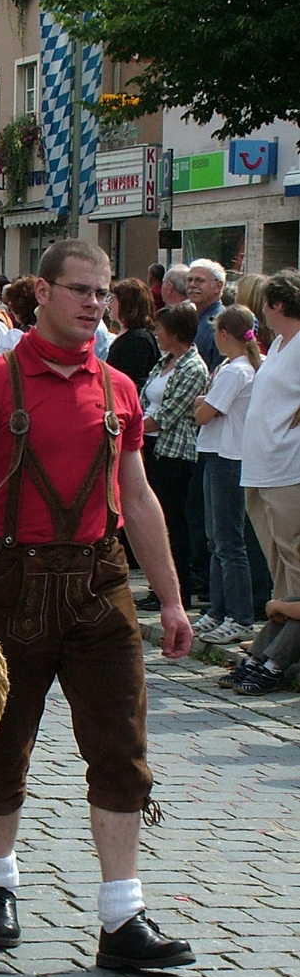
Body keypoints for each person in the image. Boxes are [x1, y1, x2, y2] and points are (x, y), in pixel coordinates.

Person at [0, 238, 195, 972]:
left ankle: (121, 916)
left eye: (100, 291)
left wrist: (169, 599)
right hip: (10, 582)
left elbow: (136, 500)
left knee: (120, 746)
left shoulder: (119, 389)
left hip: (100, 582)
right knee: (4, 740)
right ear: (39, 294)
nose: (91, 303)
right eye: (77, 289)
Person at [236, 269, 300, 692]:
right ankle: (268, 649)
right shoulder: (277, 343)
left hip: (288, 467)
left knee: (295, 568)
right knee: (279, 569)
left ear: (277, 305)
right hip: (259, 466)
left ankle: (276, 659)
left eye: (265, 304)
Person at [192, 305, 260, 645]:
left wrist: (201, 404)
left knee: (230, 542)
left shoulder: (238, 371)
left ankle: (240, 616)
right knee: (214, 539)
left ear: (223, 334)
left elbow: (204, 413)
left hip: (229, 458)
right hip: (215, 454)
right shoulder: (227, 366)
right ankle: (217, 610)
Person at [137, 302, 207, 611]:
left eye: (160, 329)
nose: (156, 333)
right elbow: (145, 399)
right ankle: (157, 587)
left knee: (171, 521)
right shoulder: (164, 361)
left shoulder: (193, 368)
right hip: (148, 445)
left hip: (173, 453)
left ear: (175, 333)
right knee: (154, 520)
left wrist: (131, 429)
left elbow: (169, 415)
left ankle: (178, 590)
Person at [107, 279, 159, 387]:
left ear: (126, 304)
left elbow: (131, 381)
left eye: (114, 299)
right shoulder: (127, 333)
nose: (109, 303)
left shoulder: (138, 339)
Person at [186, 258, 226, 373]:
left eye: (200, 280)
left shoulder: (222, 322)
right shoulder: (190, 318)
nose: (192, 285)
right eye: (189, 280)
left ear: (218, 286)